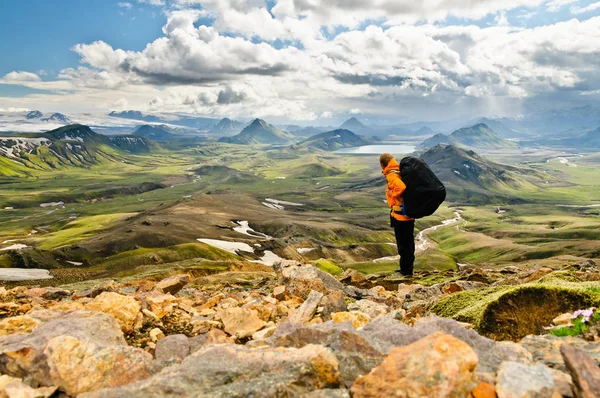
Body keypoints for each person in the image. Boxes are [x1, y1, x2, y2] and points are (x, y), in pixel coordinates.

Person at [380, 153, 415, 276]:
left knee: (404, 244)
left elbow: (401, 187)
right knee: (407, 243)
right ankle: (406, 268)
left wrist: (392, 194)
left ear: (382, 164)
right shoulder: (398, 171)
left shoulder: (392, 175)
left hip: (401, 217)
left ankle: (406, 271)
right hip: (405, 214)